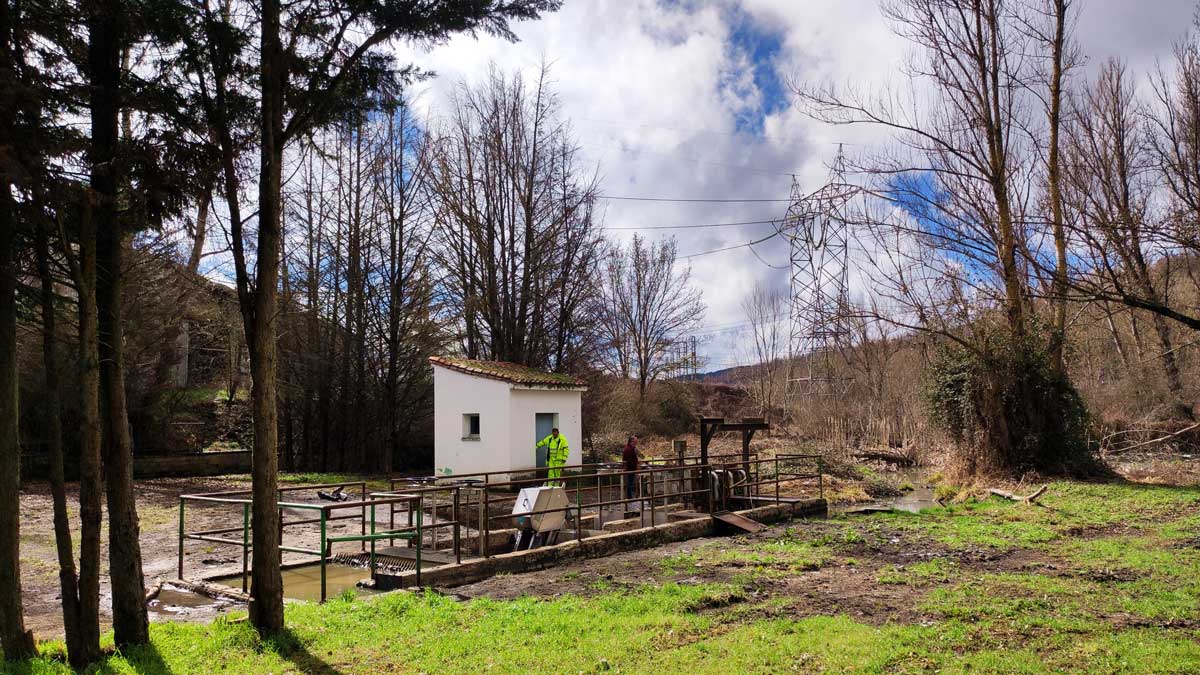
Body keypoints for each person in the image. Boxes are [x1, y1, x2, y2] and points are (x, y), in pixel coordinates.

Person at [621, 435, 640, 503]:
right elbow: (630, 460)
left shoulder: (632, 448)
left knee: (630, 483)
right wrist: (635, 468)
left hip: (631, 468)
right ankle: (629, 497)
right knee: (629, 483)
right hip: (629, 468)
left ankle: (630, 497)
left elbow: (636, 457)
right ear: (632, 441)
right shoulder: (628, 449)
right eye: (635, 441)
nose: (636, 442)